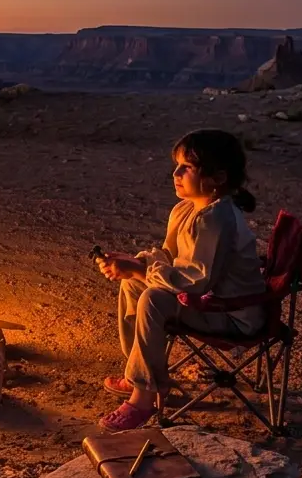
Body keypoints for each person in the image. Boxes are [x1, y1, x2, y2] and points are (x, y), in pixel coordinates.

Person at [94, 129, 267, 431]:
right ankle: (142, 371)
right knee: (133, 284)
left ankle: (143, 395)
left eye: (187, 167)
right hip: (208, 303)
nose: (176, 172)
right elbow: (170, 256)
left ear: (217, 178)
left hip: (230, 314)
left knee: (153, 299)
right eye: (177, 165)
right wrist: (137, 264)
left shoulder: (217, 219)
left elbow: (198, 281)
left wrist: (138, 270)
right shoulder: (186, 209)